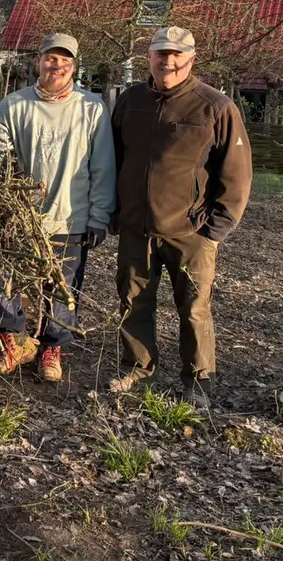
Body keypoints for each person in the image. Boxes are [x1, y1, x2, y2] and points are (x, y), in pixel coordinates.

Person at [109, 26, 252, 411]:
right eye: (160, 54)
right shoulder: (130, 101)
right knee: (132, 301)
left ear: (191, 59)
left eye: (176, 55)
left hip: (190, 231)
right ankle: (138, 366)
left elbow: (236, 174)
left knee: (193, 306)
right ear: (148, 58)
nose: (167, 61)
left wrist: (214, 229)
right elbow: (115, 159)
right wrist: (114, 210)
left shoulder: (215, 107)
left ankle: (198, 379)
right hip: (136, 227)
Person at [0, 34, 115, 381]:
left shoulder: (91, 108)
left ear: (74, 67)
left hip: (70, 214)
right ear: (39, 61)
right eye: (51, 58)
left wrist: (98, 217)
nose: (57, 66)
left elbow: (103, 167)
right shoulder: (15, 105)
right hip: (17, 216)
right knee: (1, 279)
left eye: (65, 61)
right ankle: (15, 341)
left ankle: (52, 348)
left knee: (63, 287)